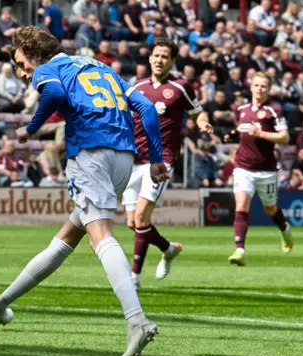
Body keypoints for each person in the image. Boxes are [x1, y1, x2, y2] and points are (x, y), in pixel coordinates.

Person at [0, 26, 168, 356]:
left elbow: (52, 96)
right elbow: (149, 111)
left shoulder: (50, 69)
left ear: (34, 52)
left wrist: (29, 129)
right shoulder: (103, 68)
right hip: (123, 159)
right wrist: (155, 159)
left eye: (23, 63)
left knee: (102, 238)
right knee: (64, 240)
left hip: (90, 155)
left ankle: (136, 320)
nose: (23, 72)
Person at [121, 38, 210, 288]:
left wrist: (202, 123)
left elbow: (197, 111)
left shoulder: (181, 87)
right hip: (133, 158)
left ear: (171, 61)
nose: (159, 60)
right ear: (149, 58)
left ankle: (134, 278)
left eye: (164, 56)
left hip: (161, 160)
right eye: (156, 55)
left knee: (141, 217)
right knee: (132, 222)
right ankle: (169, 248)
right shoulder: (136, 87)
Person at [224, 72, 293, 266]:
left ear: (268, 89)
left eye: (263, 86)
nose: (259, 89)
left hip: (266, 170)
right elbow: (243, 130)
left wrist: (261, 133)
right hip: (243, 166)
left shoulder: (274, 111)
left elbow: (285, 138)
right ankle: (240, 250)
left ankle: (284, 229)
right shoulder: (242, 109)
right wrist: (232, 135)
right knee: (241, 205)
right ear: (251, 87)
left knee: (270, 209)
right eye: (256, 85)